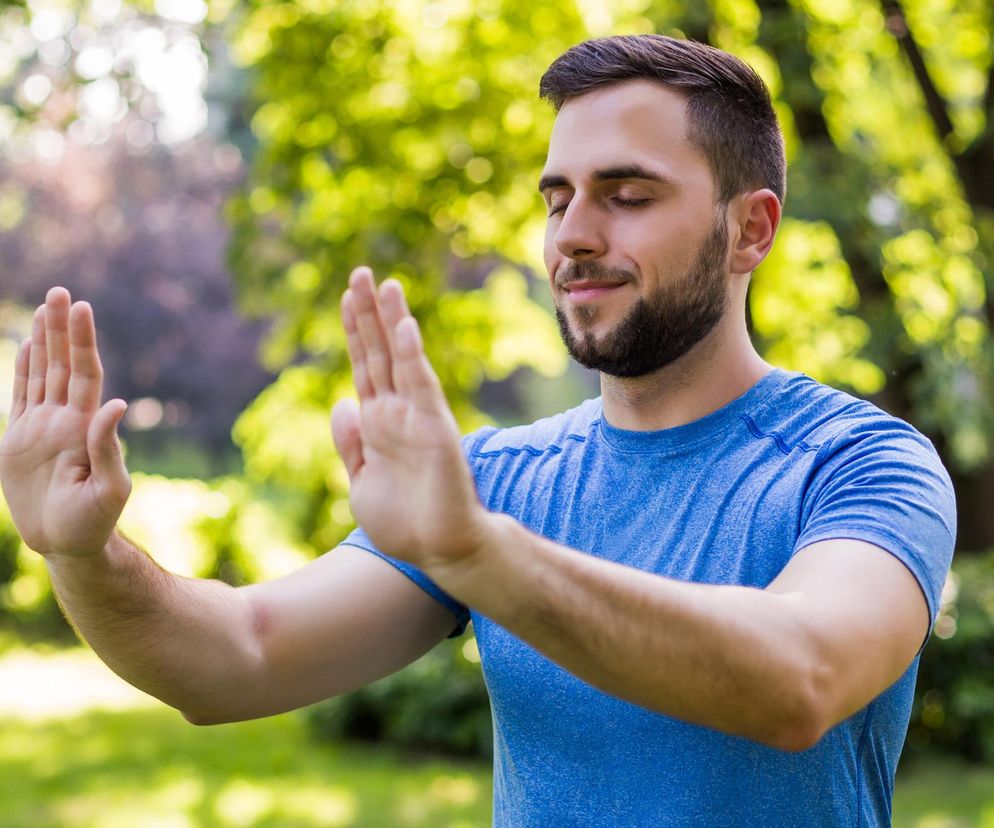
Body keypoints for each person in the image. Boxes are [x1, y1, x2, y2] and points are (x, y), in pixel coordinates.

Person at [0, 34, 955, 827]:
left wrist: (476, 553)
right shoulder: (496, 481)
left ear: (751, 230)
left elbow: (799, 679)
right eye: (557, 198)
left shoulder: (862, 465)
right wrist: (84, 555)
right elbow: (234, 660)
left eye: (628, 195)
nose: (573, 235)